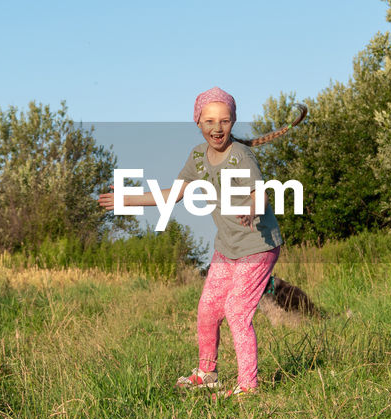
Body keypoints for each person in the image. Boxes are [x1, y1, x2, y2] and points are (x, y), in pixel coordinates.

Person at [98, 87, 281, 396]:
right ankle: (207, 373)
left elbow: (259, 192)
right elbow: (173, 194)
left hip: (258, 248)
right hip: (227, 248)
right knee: (208, 309)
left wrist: (252, 208)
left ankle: (249, 386)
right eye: (209, 121)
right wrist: (126, 200)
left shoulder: (241, 156)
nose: (217, 128)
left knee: (236, 310)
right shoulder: (198, 157)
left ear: (233, 121)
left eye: (224, 121)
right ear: (197, 122)